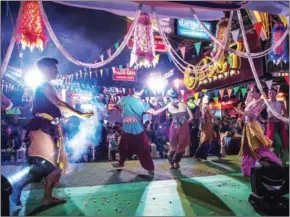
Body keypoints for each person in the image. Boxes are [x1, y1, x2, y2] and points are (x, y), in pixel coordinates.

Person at [11, 57, 94, 206]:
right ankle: (18, 187)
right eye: (54, 68)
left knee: (54, 167)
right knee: (46, 165)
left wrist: (63, 116)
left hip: (49, 128)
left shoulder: (45, 87)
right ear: (45, 69)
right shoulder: (44, 85)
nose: (57, 71)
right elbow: (59, 103)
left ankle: (47, 197)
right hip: (42, 128)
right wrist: (79, 114)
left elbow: (56, 107)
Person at [112, 88, 169, 174]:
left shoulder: (125, 99)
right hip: (137, 129)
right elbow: (155, 113)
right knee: (140, 149)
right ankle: (150, 168)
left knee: (123, 147)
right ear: (142, 91)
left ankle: (122, 163)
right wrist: (166, 106)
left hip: (128, 128)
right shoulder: (143, 103)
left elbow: (118, 105)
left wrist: (124, 113)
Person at [235, 85, 281, 176]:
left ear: (259, 93)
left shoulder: (260, 101)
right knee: (247, 149)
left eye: (254, 92)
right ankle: (247, 170)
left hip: (254, 127)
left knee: (258, 147)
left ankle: (276, 163)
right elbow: (247, 112)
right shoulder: (251, 101)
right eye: (251, 91)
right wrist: (241, 118)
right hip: (247, 127)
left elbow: (252, 112)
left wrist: (241, 112)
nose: (252, 93)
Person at [161, 88, 193, 169]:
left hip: (174, 126)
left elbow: (158, 112)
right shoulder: (184, 104)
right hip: (183, 126)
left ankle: (173, 163)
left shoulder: (169, 105)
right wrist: (185, 123)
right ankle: (175, 162)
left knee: (173, 147)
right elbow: (191, 117)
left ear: (169, 97)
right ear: (178, 96)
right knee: (181, 147)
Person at [266, 87, 289, 164]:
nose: (271, 94)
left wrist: (286, 122)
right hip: (271, 126)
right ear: (268, 95)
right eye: (270, 93)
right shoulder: (267, 103)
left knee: (283, 142)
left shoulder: (281, 103)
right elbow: (257, 111)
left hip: (280, 125)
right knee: (277, 143)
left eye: (273, 92)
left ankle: (279, 159)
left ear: (276, 94)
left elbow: (285, 113)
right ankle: (275, 158)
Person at [194, 95, 215, 161]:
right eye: (206, 98)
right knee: (205, 140)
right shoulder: (205, 106)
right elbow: (211, 115)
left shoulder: (202, 106)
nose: (207, 99)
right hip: (206, 124)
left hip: (206, 124)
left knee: (205, 140)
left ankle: (201, 155)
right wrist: (213, 115)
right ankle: (198, 155)